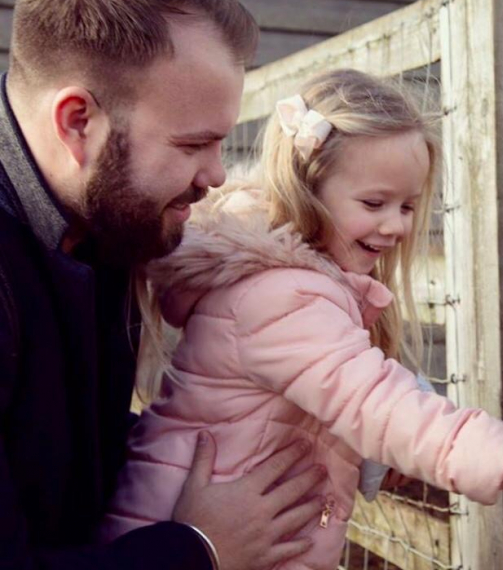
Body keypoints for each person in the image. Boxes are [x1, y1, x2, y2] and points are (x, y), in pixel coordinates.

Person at [102, 68, 503, 570]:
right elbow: (378, 404)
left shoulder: (287, 286)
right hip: (202, 544)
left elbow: (351, 378)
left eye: (407, 206)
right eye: (375, 202)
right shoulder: (282, 297)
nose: (397, 225)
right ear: (308, 189)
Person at [0, 1, 324, 569]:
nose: (216, 175)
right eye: (192, 144)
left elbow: (59, 448)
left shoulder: (105, 216)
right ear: (78, 122)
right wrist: (201, 548)